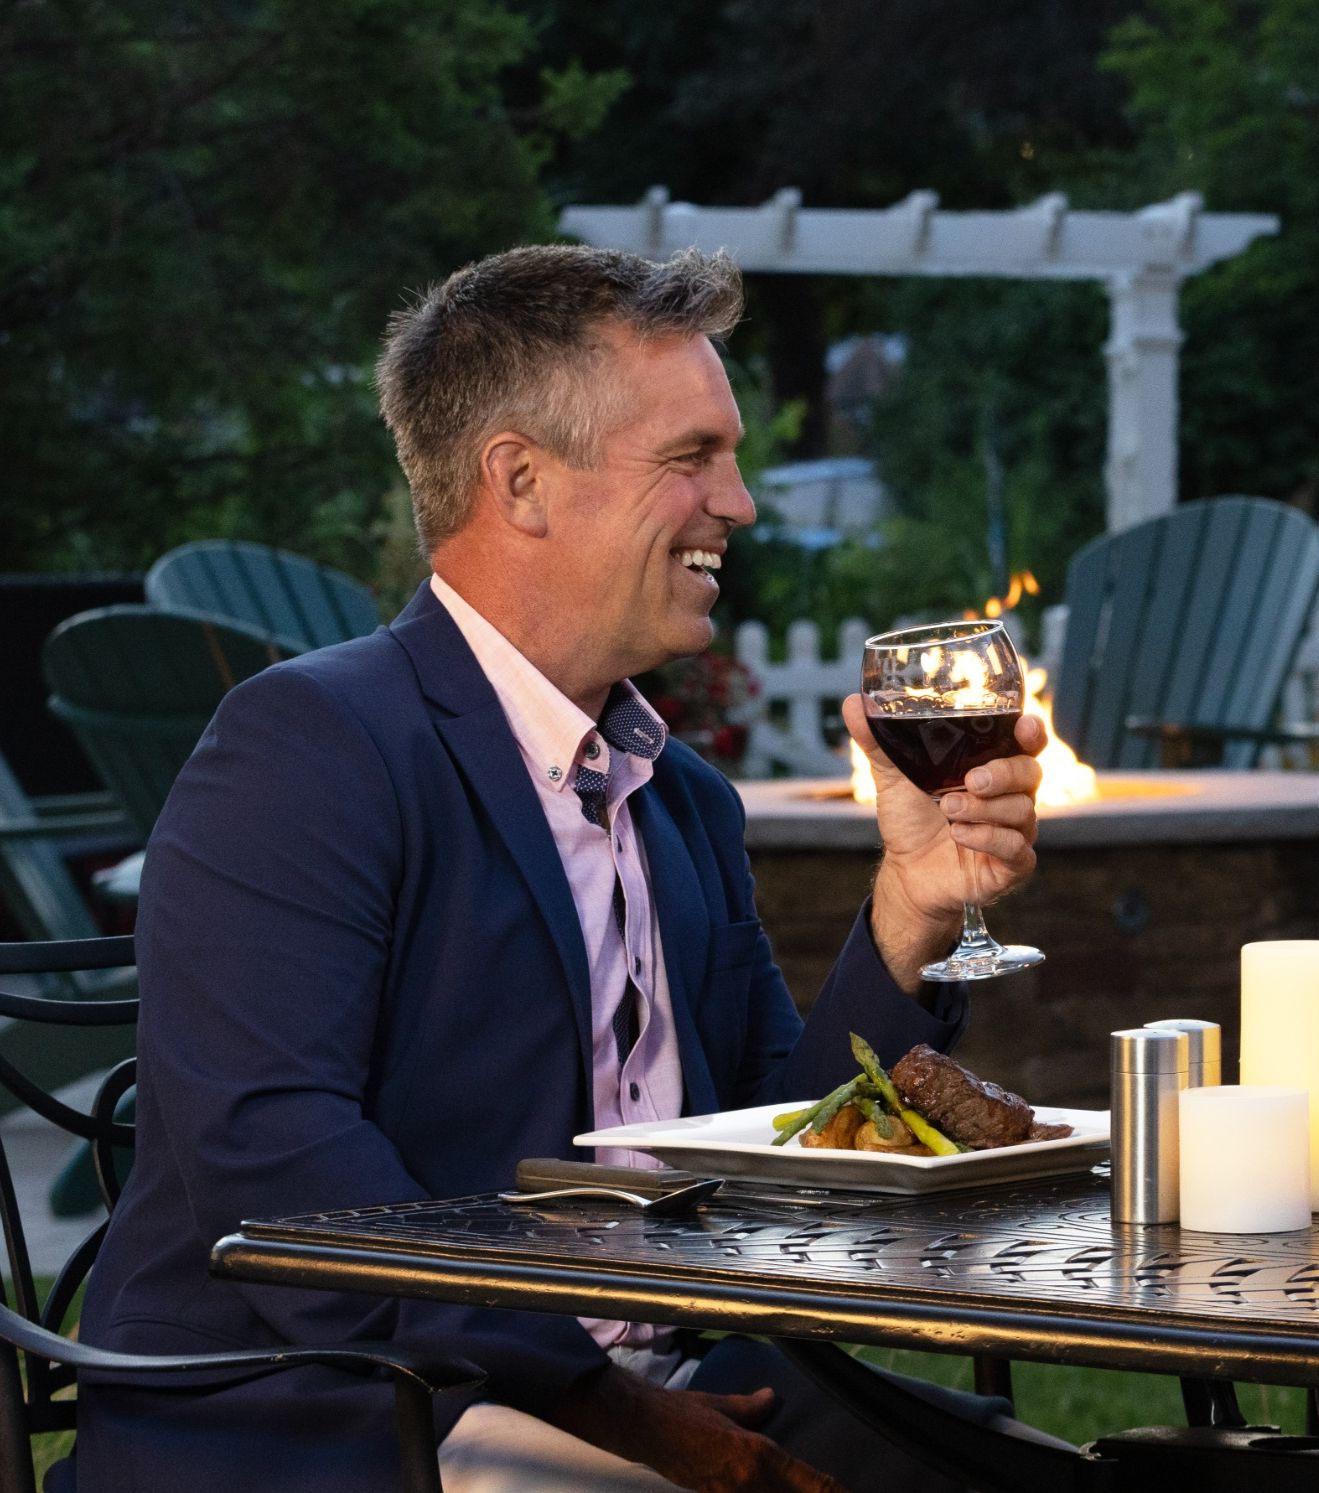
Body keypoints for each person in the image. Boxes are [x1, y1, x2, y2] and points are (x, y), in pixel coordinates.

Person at [66, 245, 1053, 1493]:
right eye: (692, 458)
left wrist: (908, 910)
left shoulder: (681, 798)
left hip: (664, 1384)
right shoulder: (311, 745)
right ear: (521, 480)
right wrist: (611, 1408)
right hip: (360, 1416)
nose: (740, 502)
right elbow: (281, 1161)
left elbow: (776, 1162)